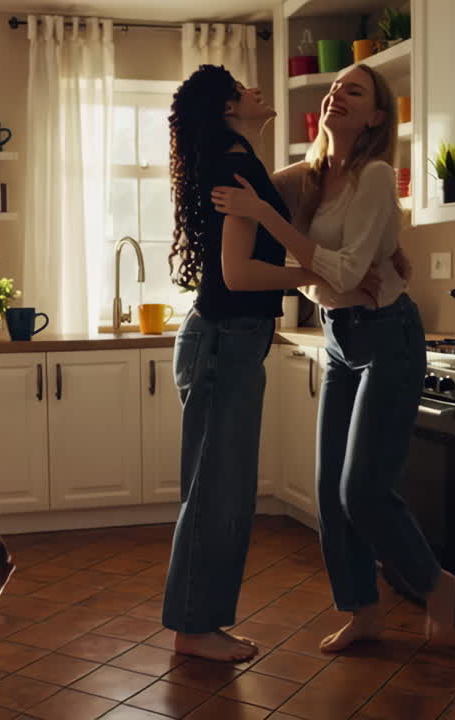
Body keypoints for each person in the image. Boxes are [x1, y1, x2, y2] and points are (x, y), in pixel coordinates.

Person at [211, 61, 455, 653]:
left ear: (375, 117)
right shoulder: (309, 176)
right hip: (339, 336)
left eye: (354, 90)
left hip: (388, 337)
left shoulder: (375, 175)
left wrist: (267, 217)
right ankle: (363, 612)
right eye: (334, 88)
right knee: (329, 493)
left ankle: (437, 585)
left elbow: (343, 271)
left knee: (362, 491)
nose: (336, 95)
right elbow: (308, 262)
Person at [161, 65, 331, 663]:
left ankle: (201, 623)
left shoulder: (239, 161)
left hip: (228, 340)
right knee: (218, 495)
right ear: (229, 107)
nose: (256, 90)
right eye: (242, 87)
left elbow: (282, 194)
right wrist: (314, 273)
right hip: (224, 341)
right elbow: (237, 275)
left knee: (222, 492)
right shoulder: (235, 164)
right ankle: (194, 629)